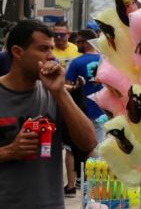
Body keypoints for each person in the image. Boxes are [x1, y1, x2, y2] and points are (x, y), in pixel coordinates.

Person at [0, 20, 97, 207]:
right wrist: (9, 151)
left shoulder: (55, 94)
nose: (51, 56)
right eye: (43, 49)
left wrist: (60, 91)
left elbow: (88, 143)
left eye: (51, 49)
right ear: (18, 52)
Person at [64, 29, 103, 196]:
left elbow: (66, 85)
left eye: (79, 41)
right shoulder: (105, 61)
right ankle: (91, 185)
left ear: (86, 42)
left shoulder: (76, 63)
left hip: (80, 110)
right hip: (101, 110)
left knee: (71, 148)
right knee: (96, 147)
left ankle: (71, 186)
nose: (76, 44)